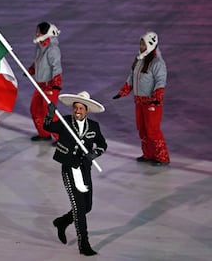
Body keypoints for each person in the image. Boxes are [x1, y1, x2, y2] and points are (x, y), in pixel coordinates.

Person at [43, 91, 107, 256]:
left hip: (85, 169)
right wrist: (49, 115)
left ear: (87, 110)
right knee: (79, 208)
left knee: (87, 207)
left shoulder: (93, 126)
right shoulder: (65, 122)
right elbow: (47, 127)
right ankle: (83, 244)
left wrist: (95, 153)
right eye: (75, 108)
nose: (77, 111)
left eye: (81, 108)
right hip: (69, 168)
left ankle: (62, 222)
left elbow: (102, 144)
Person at [112, 31, 170, 166]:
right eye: (141, 43)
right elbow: (131, 78)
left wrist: (157, 97)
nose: (141, 46)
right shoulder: (140, 60)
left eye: (144, 44)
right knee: (142, 129)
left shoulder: (157, 63)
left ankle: (162, 157)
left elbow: (161, 81)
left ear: (151, 45)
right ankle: (148, 154)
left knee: (152, 130)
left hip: (151, 103)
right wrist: (123, 92)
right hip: (139, 102)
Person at [29, 21, 62, 143]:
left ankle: (60, 137)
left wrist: (56, 84)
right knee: (35, 109)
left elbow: (56, 68)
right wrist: (32, 69)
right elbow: (39, 62)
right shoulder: (40, 46)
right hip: (40, 84)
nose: (36, 34)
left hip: (50, 85)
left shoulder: (52, 49)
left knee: (50, 113)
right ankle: (44, 133)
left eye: (38, 31)